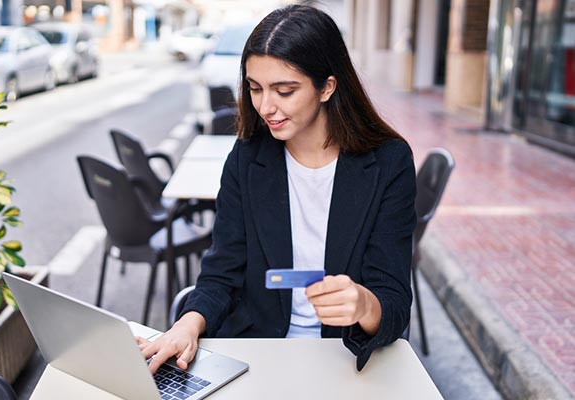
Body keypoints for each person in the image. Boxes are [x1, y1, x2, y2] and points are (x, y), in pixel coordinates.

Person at [138, 4, 416, 372]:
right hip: (258, 354)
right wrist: (187, 325)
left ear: (327, 87)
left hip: (346, 360)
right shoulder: (248, 158)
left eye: (284, 91)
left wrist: (366, 306)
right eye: (255, 88)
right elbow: (222, 272)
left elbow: (394, 304)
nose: (266, 106)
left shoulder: (388, 164)